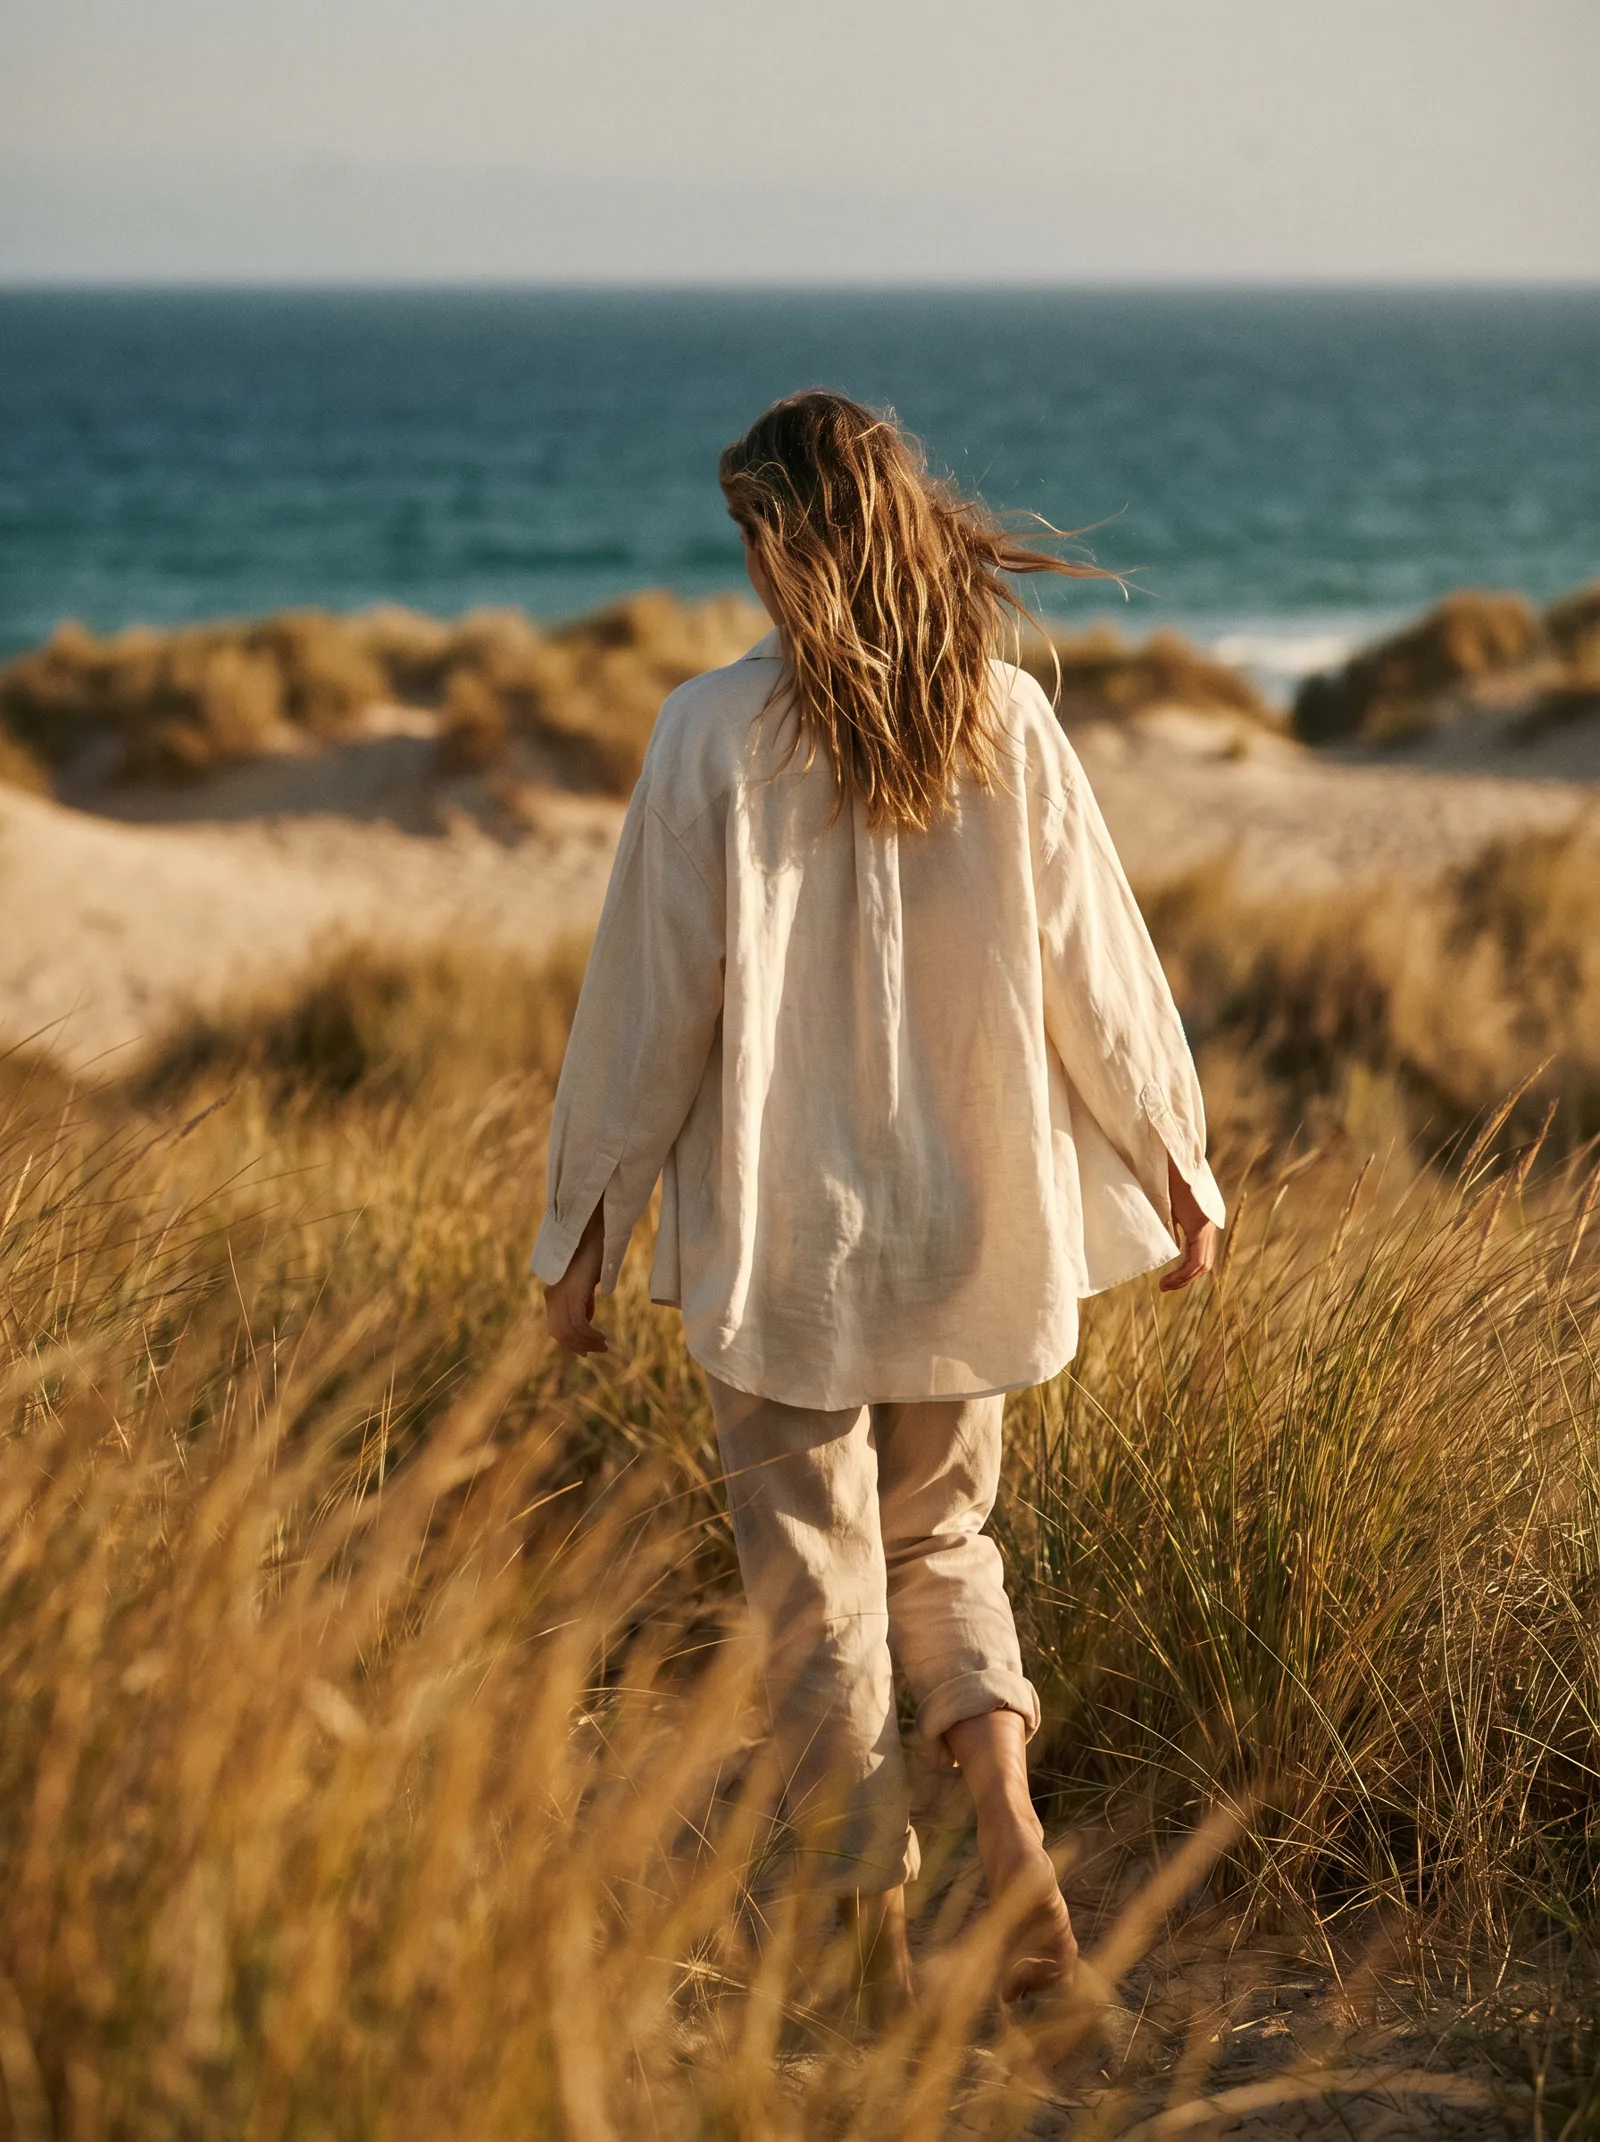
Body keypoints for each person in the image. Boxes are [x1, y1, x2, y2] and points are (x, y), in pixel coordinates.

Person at [534, 389, 1223, 2014]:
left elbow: (652, 1003)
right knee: (945, 1537)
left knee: (814, 1576)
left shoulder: (709, 730)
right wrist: (1174, 1158)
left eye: (752, 542)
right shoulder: (1005, 718)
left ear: (784, 544)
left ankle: (866, 1928)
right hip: (969, 1224)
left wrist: (582, 1224)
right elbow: (1097, 977)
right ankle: (1014, 1834)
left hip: (786, 1239)